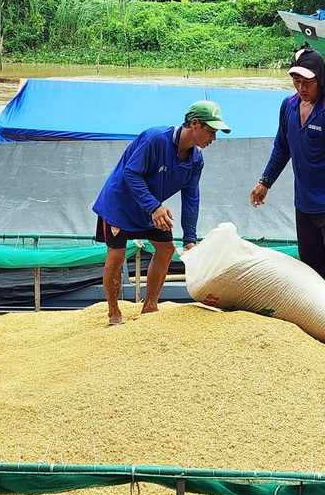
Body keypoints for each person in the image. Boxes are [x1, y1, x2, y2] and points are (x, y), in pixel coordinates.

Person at [249, 44, 325, 330]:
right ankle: (319, 312)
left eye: (307, 82)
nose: (301, 87)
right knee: (310, 258)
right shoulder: (288, 107)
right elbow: (282, 147)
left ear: (320, 80)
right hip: (305, 202)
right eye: (296, 80)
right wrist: (266, 182)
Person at [93, 101, 231, 326]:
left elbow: (191, 197)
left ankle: (150, 306)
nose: (214, 138)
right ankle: (114, 312)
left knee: (167, 248)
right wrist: (154, 207)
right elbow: (131, 173)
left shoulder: (197, 160)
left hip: (151, 207)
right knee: (116, 257)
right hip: (120, 204)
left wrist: (189, 239)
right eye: (211, 131)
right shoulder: (155, 139)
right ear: (195, 124)